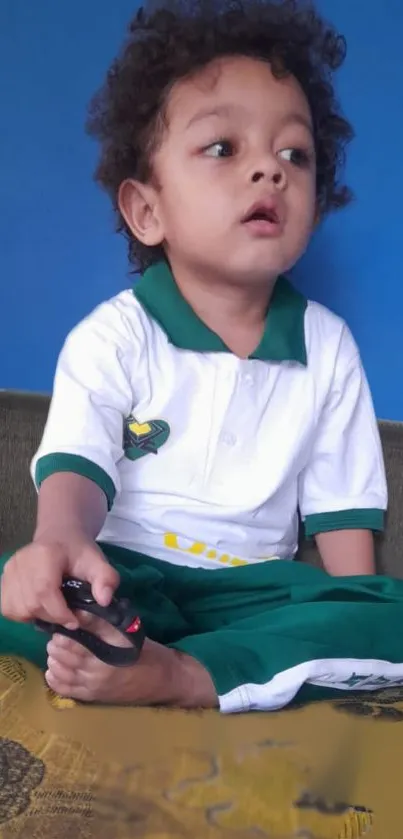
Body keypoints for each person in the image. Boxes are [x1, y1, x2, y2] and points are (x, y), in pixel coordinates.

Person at [3, 0, 403, 715]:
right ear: (147, 211)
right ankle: (147, 654)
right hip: (126, 580)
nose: (268, 173)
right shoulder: (114, 335)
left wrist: (356, 605)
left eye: (294, 154)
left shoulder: (327, 344)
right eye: (223, 148)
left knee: (389, 615)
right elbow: (76, 465)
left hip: (257, 592)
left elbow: (342, 519)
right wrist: (58, 543)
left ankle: (185, 673)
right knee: (14, 585)